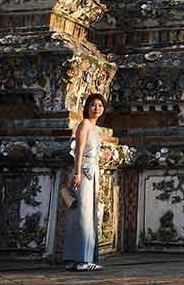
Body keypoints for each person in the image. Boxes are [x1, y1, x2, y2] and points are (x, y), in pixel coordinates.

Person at [64, 93, 105, 271]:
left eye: (100, 106)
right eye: (93, 105)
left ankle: (79, 259)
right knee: (82, 214)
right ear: (87, 107)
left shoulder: (96, 128)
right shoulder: (85, 124)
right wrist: (77, 173)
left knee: (88, 214)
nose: (96, 108)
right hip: (83, 172)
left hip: (92, 171)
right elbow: (78, 150)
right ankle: (81, 259)